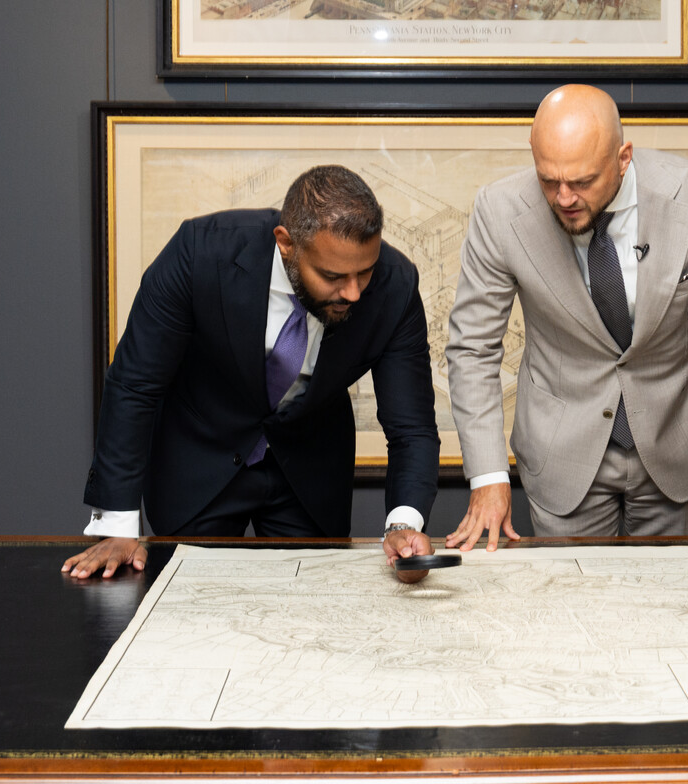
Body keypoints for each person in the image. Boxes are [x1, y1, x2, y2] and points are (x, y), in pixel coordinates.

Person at [443, 84, 688, 554]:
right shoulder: (498, 211)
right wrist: (487, 477)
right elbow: (473, 349)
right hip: (562, 450)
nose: (564, 198)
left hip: (677, 442)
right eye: (549, 180)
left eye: (583, 182)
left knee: (672, 598)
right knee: (572, 598)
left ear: (623, 157)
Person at [63, 165, 440, 581]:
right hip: (200, 455)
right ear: (286, 244)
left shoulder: (395, 285)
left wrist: (404, 526)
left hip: (309, 468)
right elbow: (134, 384)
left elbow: (412, 427)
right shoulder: (200, 252)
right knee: (190, 602)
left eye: (364, 272)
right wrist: (117, 526)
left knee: (310, 607)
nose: (353, 292)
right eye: (333, 276)